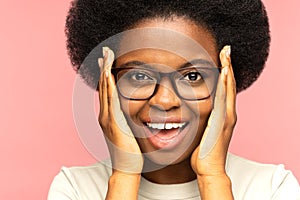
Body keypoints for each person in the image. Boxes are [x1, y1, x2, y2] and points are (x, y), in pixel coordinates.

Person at [48, 0, 300, 199]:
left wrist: (213, 178)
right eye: (138, 75)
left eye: (192, 76)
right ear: (108, 81)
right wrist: (124, 175)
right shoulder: (75, 189)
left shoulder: (272, 188)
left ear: (226, 82)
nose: (165, 100)